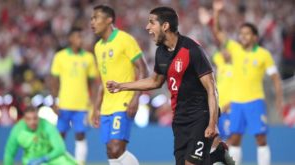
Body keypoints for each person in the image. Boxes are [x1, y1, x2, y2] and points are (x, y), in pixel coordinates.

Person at [106, 6, 234, 165]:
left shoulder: (191, 49)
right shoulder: (161, 52)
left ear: (165, 26)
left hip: (200, 115)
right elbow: (155, 81)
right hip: (179, 118)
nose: (147, 27)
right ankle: (217, 155)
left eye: (152, 23)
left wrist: (213, 123)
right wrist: (122, 86)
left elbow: (211, 88)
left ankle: (216, 155)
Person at [212, 0, 283, 165]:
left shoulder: (264, 54)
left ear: (255, 37)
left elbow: (275, 78)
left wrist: (279, 98)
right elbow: (218, 32)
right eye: (241, 33)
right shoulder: (235, 49)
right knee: (235, 139)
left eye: (247, 33)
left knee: (260, 138)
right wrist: (216, 12)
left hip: (255, 101)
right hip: (237, 104)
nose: (242, 36)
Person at [90, 5, 148, 165]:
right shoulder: (98, 47)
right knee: (110, 151)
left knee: (116, 148)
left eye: (96, 18)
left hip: (124, 101)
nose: (92, 22)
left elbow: (143, 69)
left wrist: (136, 98)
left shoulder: (124, 39)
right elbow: (103, 81)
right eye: (91, 18)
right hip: (106, 106)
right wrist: (96, 107)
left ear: (109, 20)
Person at [50, 28, 97, 165]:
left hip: (82, 105)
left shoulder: (88, 57)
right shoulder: (60, 56)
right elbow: (54, 81)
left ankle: (80, 162)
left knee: (80, 135)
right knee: (60, 136)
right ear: (70, 39)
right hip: (64, 103)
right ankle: (56, 161)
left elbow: (93, 83)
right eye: (77, 37)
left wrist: (93, 104)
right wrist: (54, 101)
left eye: (81, 37)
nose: (80, 40)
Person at [4, 106, 77, 165]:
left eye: (35, 118)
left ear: (38, 117)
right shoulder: (18, 130)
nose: (32, 122)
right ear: (24, 119)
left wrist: (44, 158)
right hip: (31, 161)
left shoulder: (47, 125)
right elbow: (9, 153)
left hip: (53, 158)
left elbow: (60, 148)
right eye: (28, 119)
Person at [212, 49, 233, 142]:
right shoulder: (221, 65)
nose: (224, 53)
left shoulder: (236, 69)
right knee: (216, 137)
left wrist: (230, 104)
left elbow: (240, 89)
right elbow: (216, 55)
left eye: (227, 50)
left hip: (229, 109)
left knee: (229, 137)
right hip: (218, 108)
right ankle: (217, 156)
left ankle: (229, 156)